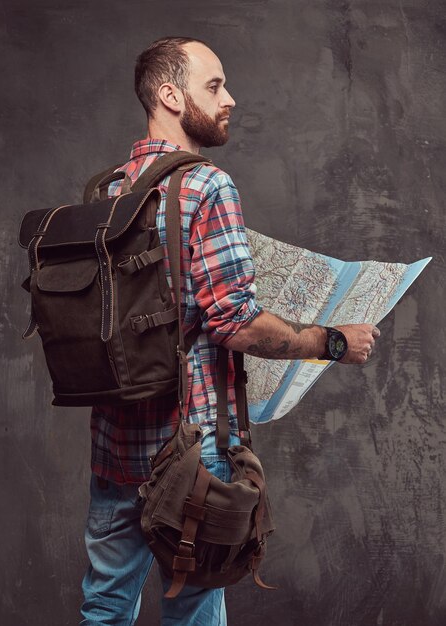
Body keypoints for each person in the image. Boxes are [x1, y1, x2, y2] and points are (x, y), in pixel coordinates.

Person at [80, 36, 380, 626]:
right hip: (192, 450)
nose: (231, 99)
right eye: (214, 86)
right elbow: (233, 321)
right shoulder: (206, 186)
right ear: (170, 94)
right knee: (194, 610)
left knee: (105, 607)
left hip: (115, 444)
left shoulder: (107, 191)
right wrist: (331, 341)